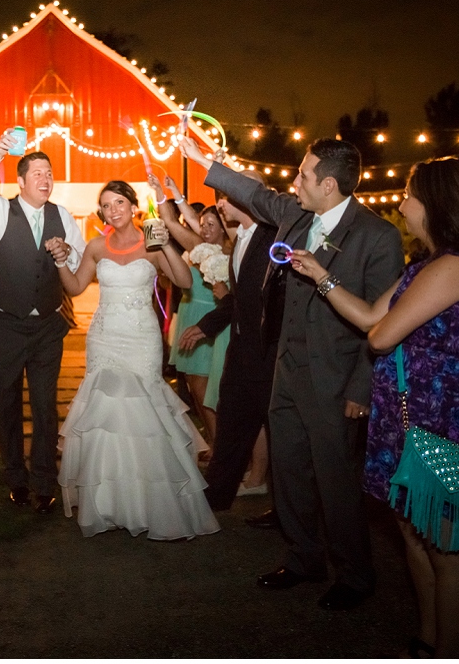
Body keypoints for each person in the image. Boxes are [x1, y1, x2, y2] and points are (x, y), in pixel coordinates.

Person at [288, 157, 459, 657]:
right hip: (407, 417)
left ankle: (450, 650)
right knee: (415, 536)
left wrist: (378, 325)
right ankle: (428, 638)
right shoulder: (424, 267)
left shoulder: (454, 267)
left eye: (411, 194)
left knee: (447, 548)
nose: (402, 202)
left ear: (438, 204)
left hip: (443, 420)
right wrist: (322, 276)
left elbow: (380, 334)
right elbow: (372, 311)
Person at [181, 136, 405, 611]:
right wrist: (209, 163)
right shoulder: (297, 216)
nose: (294, 181)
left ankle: (354, 573)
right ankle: (303, 558)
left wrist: (360, 388)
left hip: (336, 381)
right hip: (286, 372)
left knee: (336, 481)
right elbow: (259, 194)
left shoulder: (377, 236)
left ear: (328, 184)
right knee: (289, 472)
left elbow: (385, 323)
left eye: (303, 175)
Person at [46, 180, 218, 539]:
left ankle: (154, 502)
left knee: (146, 411)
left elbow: (185, 281)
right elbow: (76, 288)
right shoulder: (96, 246)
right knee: (107, 416)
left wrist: (164, 244)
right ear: (102, 213)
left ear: (133, 206)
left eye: (119, 202)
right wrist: (62, 260)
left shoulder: (152, 243)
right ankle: (109, 503)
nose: (114, 210)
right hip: (105, 338)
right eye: (106, 205)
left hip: (141, 338)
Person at [0, 130, 86, 514]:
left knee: (46, 408)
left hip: (47, 326)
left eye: (48, 173)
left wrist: (66, 252)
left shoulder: (62, 215)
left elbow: (78, 263)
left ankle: (45, 481)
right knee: (8, 405)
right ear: (20, 181)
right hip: (6, 327)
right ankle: (16, 478)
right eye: (37, 173)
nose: (45, 179)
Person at [176, 171, 284, 511]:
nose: (221, 203)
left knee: (280, 438)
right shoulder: (243, 238)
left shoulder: (273, 238)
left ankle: (283, 511)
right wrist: (207, 326)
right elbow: (239, 300)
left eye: (227, 195)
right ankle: (215, 497)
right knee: (231, 423)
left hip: (269, 358)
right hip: (240, 353)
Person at [152, 173, 230, 453]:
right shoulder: (199, 248)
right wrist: (168, 193)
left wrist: (165, 194)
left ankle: (223, 448)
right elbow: (174, 223)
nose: (204, 228)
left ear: (224, 228)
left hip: (210, 323)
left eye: (211, 224)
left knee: (208, 393)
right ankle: (214, 442)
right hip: (188, 315)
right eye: (202, 224)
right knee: (197, 393)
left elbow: (173, 222)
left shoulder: (225, 253)